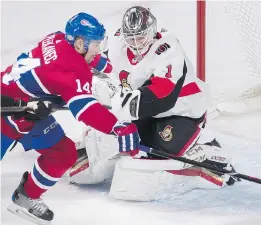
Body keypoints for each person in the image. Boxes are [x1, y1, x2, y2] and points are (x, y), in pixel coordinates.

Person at [69, 6, 237, 201]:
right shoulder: (119, 41)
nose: (135, 43)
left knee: (156, 153)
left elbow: (162, 96)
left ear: (152, 31)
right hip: (141, 109)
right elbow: (98, 62)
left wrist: (116, 104)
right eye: (130, 38)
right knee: (100, 154)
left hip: (181, 111)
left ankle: (204, 154)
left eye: (140, 37)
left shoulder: (168, 48)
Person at [1, 12, 139, 223]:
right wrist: (117, 127)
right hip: (7, 113)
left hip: (27, 109)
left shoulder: (56, 38)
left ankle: (27, 196)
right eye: (95, 45)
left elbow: (59, 64)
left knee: (63, 153)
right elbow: (86, 109)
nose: (98, 50)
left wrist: (98, 63)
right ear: (80, 44)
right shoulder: (70, 70)